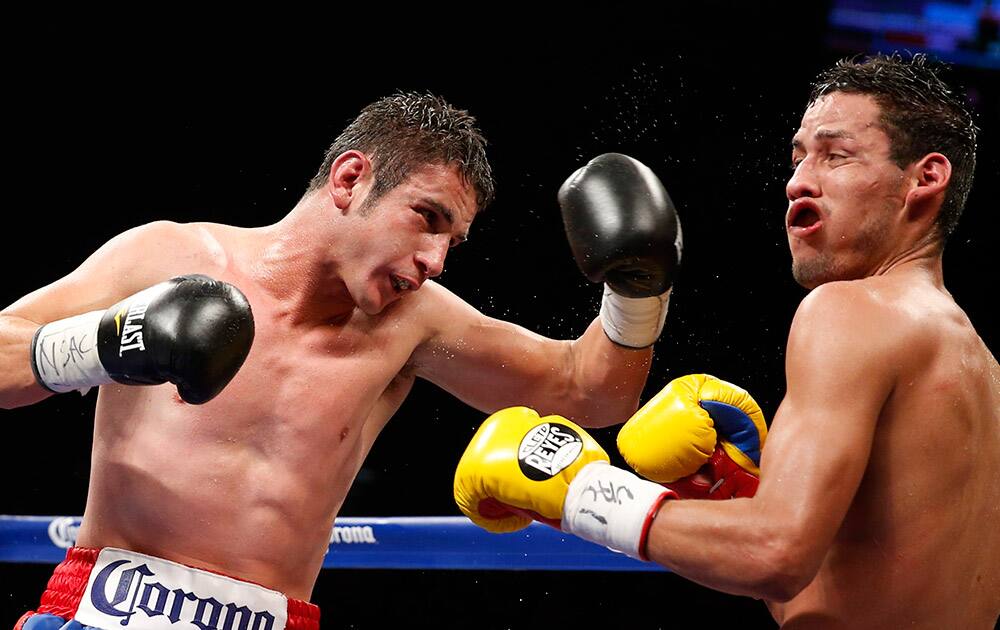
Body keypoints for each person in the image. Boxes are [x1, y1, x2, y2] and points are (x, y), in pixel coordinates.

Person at [1, 93, 682, 628]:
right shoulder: (165, 258)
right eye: (427, 218)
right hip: (100, 609)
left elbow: (591, 393)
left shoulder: (414, 324)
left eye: (454, 241)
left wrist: (637, 293)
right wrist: (100, 346)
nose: (435, 262)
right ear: (351, 178)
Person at [454, 53, 1000, 628]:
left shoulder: (851, 311)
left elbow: (774, 556)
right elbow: (831, 596)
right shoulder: (979, 366)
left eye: (836, 156)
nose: (797, 182)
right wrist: (729, 496)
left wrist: (576, 489)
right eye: (797, 159)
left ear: (926, 178)